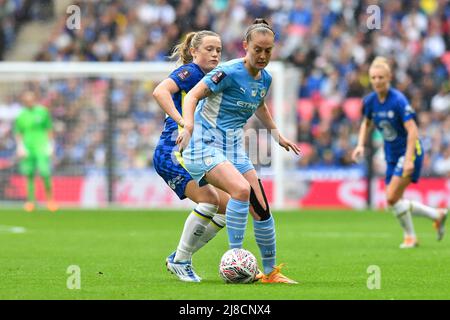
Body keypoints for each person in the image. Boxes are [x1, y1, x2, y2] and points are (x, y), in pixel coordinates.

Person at [177, 19, 300, 283]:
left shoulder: (265, 78)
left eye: (268, 50)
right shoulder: (226, 73)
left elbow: (260, 105)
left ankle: (269, 273)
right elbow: (194, 95)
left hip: (232, 149)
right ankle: (235, 261)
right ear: (246, 46)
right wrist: (187, 126)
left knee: (262, 210)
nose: (263, 56)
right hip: (203, 145)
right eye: (258, 49)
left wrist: (278, 135)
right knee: (241, 191)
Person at [152, 30, 230, 282]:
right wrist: (183, 123)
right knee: (209, 200)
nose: (215, 54)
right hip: (173, 151)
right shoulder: (191, 73)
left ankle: (179, 256)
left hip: (196, 151)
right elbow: (160, 92)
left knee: (227, 206)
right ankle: (181, 260)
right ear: (194, 51)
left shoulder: (213, 78)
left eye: (218, 49)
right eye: (209, 49)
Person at [352, 57, 448, 249]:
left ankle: (413, 235)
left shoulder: (398, 100)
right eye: (374, 77)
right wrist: (360, 144)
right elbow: (367, 123)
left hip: (409, 151)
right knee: (393, 200)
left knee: (391, 197)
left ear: (389, 78)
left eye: (381, 77)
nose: (377, 81)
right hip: (391, 153)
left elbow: (413, 130)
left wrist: (409, 160)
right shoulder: (370, 101)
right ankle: (434, 216)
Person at [14, 91, 58, 212]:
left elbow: (49, 128)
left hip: (41, 146)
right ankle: (31, 201)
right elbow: (19, 132)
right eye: (26, 101)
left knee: (45, 172)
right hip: (28, 147)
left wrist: (51, 144)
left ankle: (50, 200)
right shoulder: (21, 115)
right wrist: (20, 146)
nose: (28, 103)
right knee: (29, 174)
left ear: (34, 100)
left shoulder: (42, 112)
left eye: (30, 100)